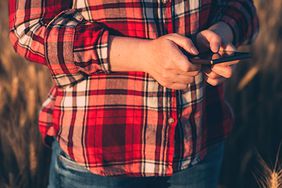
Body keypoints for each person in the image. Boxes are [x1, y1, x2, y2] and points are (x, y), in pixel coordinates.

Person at [9, 0, 259, 187]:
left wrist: (221, 34)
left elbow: (242, 7)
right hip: (99, 155)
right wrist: (143, 55)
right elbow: (30, 28)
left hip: (197, 143)